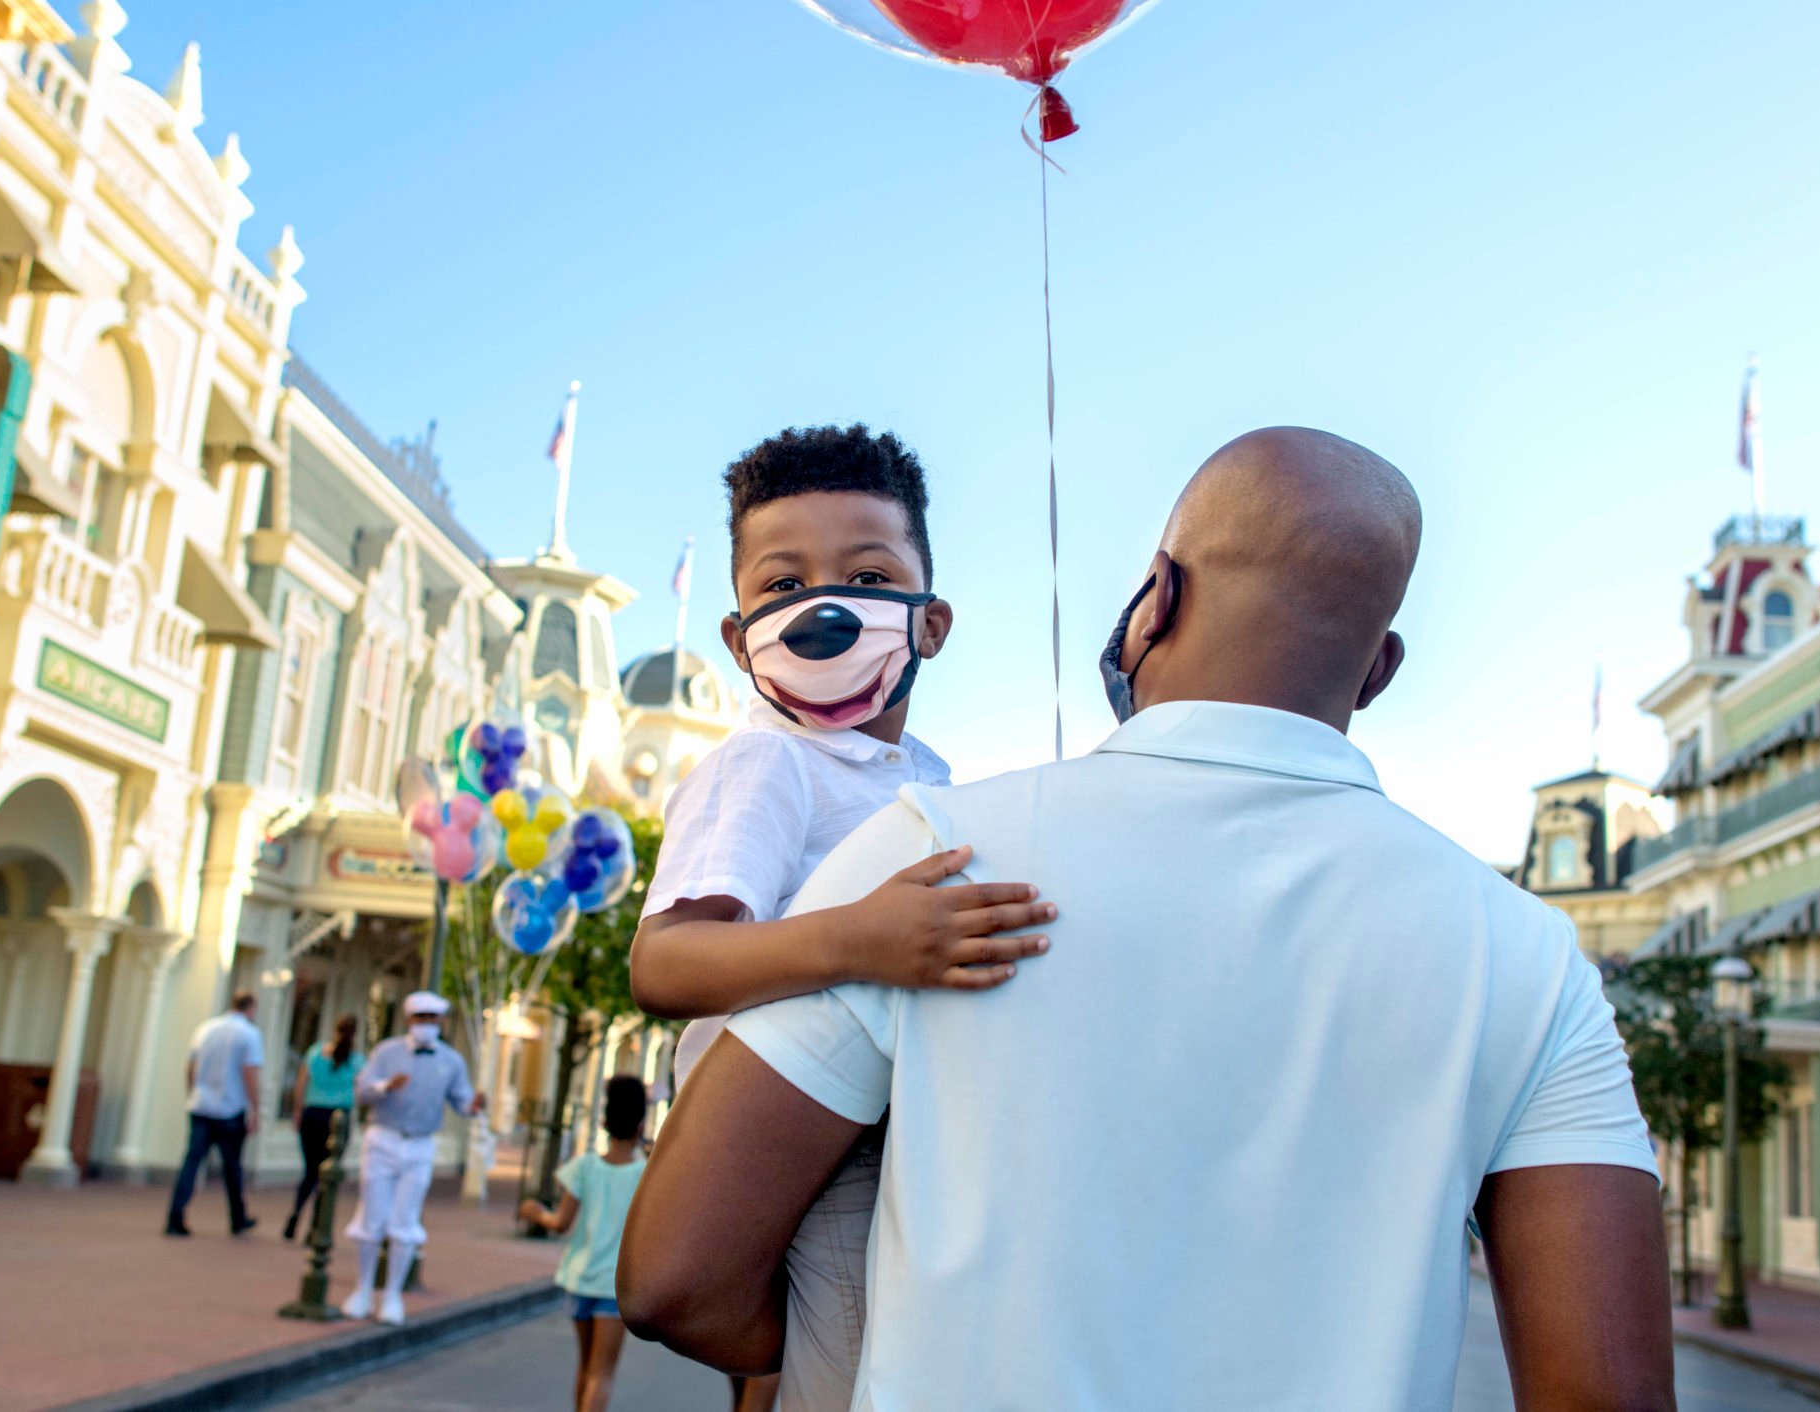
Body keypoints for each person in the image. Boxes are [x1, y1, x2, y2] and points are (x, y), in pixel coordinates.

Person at [619, 429, 1676, 1411]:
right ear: (1380, 665)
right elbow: (1608, 1394)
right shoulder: (1529, 958)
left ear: (1156, 599)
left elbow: (677, 1278)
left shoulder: (937, 854)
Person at [624, 424, 1056, 1412]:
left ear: (930, 619)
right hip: (808, 1149)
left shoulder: (930, 780)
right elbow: (666, 961)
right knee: (861, 1366)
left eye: (865, 572)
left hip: (904, 1133)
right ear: (738, 638)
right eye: (781, 586)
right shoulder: (764, 763)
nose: (821, 606)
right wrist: (855, 940)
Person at [340, 991, 483, 1326]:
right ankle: (362, 1289)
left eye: (432, 1020)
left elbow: (461, 1102)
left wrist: (474, 1106)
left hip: (420, 1144)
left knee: (405, 1222)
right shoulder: (385, 1053)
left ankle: (392, 1294)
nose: (427, 1025)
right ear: (409, 1020)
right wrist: (386, 1086)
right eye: (421, 1019)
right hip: (383, 1137)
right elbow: (361, 1092)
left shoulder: (451, 1060)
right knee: (372, 1218)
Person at [522, 1076, 652, 1412]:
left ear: (604, 1121)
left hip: (579, 1280)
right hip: (615, 1288)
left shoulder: (584, 1167)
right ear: (640, 1123)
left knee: (584, 1367)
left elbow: (560, 1223)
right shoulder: (647, 1174)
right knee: (601, 1374)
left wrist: (537, 1212)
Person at [165, 990, 263, 1238]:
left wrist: (192, 1094)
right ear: (250, 1008)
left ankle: (176, 1215)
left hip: (202, 1105)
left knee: (192, 1162)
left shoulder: (206, 1029)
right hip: (229, 1109)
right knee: (232, 1167)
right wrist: (255, 1108)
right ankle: (237, 1218)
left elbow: (190, 1066)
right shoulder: (249, 1034)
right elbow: (250, 1073)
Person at [283, 1013, 361, 1241]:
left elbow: (301, 1084)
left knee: (310, 1172)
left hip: (313, 1114)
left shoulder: (316, 1052)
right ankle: (316, 1227)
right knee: (327, 1175)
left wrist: (297, 1111)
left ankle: (296, 1217)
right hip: (338, 1118)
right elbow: (363, 1089)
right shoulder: (355, 1060)